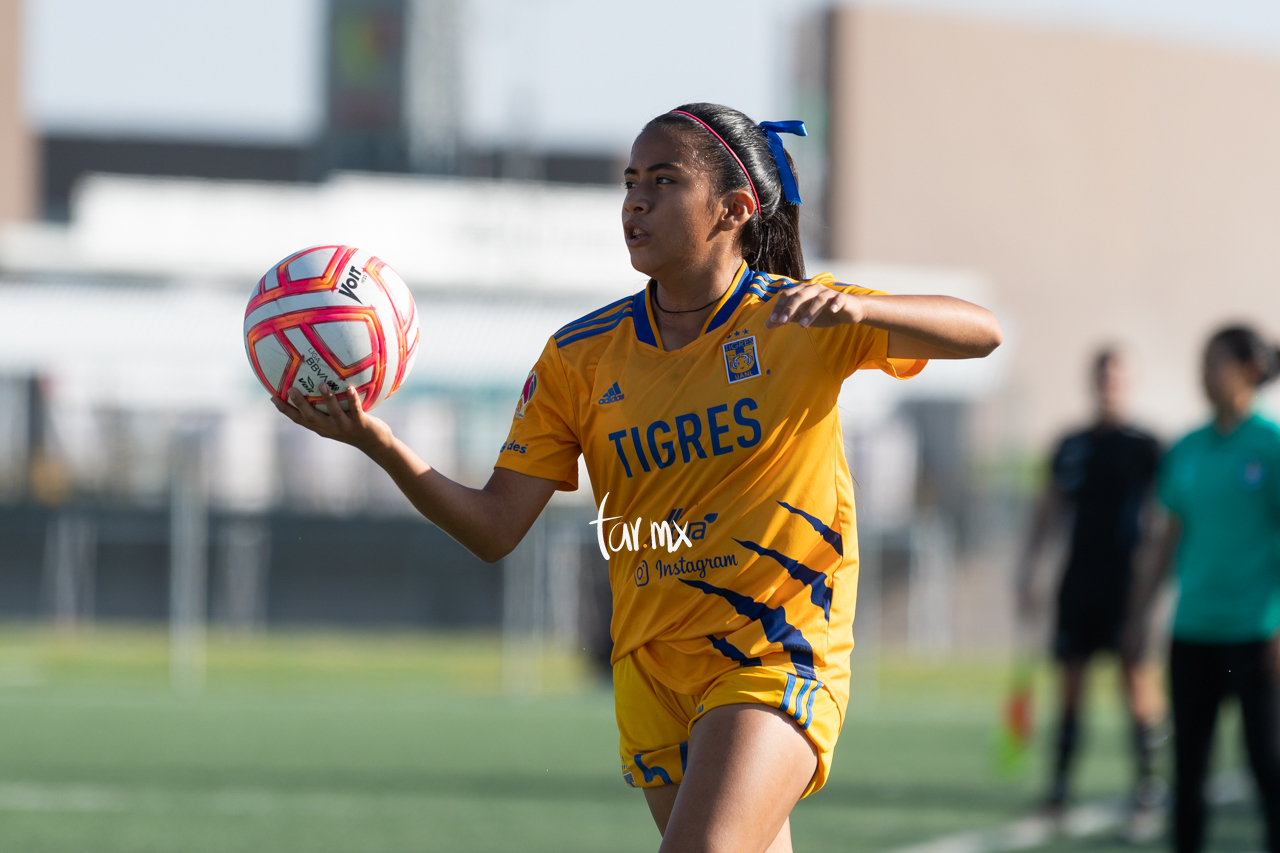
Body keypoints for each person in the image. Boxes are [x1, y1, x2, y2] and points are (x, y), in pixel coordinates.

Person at [272, 102, 1002, 852]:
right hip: (650, 670)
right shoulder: (579, 357)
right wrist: (378, 442)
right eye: (629, 183)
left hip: (774, 650)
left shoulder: (798, 320)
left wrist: (853, 309)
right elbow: (494, 527)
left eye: (663, 180)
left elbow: (983, 331)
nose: (636, 201)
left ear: (733, 209)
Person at [1126, 325, 1280, 853]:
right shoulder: (1187, 449)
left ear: (1249, 370)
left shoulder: (1273, 446)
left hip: (1257, 638)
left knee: (1269, 766)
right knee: (1188, 774)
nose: (1202, 373)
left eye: (1213, 362)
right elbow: (1164, 544)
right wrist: (1139, 616)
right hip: (1192, 635)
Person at [1016, 349, 1164, 825]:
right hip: (1078, 581)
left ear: (1129, 382)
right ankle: (1059, 790)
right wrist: (1030, 567)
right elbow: (1049, 508)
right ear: (1093, 381)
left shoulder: (1146, 446)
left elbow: (1164, 515)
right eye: (1103, 375)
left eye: (1118, 376)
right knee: (1071, 688)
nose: (1110, 384)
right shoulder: (1071, 444)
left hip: (1126, 585)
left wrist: (1151, 581)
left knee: (1136, 684)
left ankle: (1147, 786)